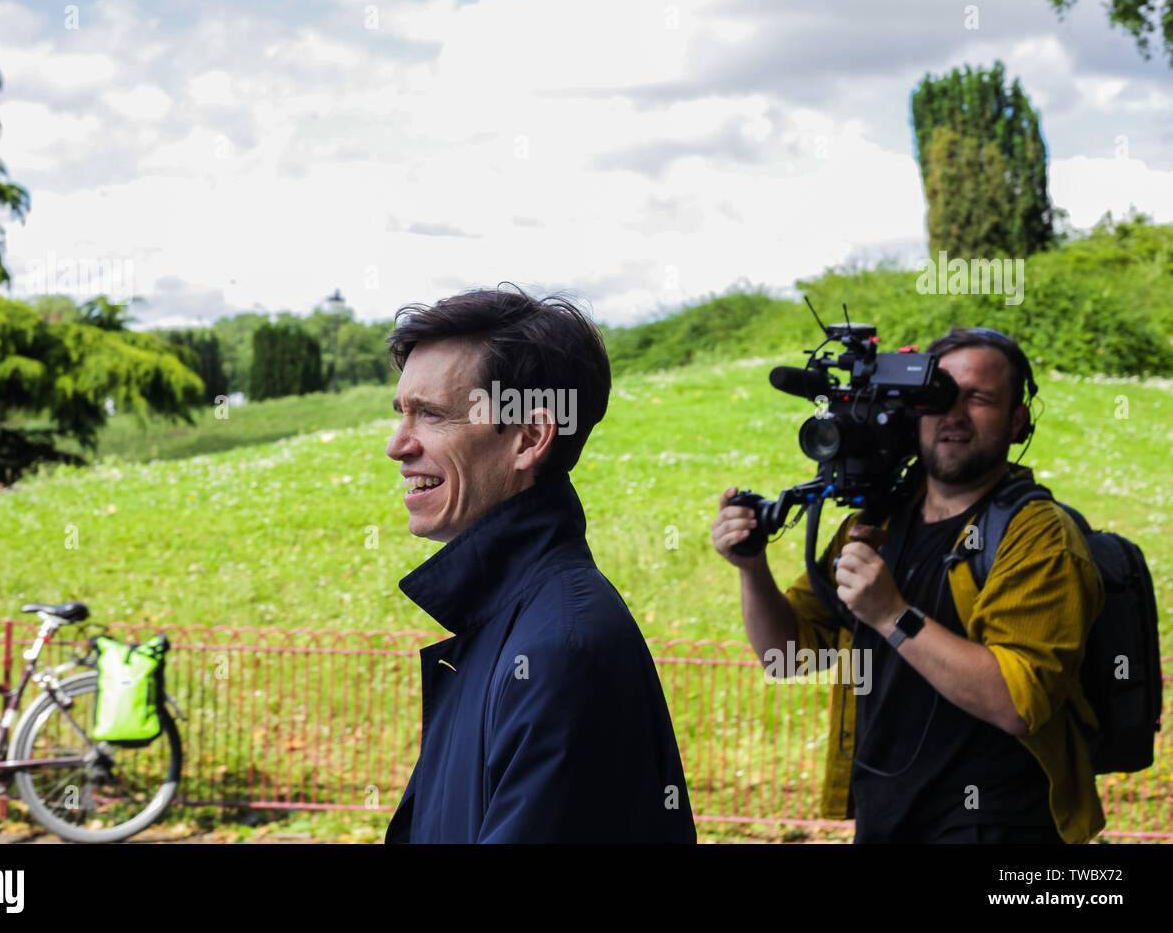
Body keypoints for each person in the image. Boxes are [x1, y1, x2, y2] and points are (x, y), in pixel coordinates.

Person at [711, 327, 1105, 843]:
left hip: (994, 822)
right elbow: (790, 655)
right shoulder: (882, 520)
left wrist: (892, 616)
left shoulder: (1040, 535)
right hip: (886, 815)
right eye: (936, 396)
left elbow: (1017, 701)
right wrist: (752, 568)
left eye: (979, 398)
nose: (954, 415)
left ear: (1017, 420)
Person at [383, 285, 695, 843]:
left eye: (430, 415)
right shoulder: (516, 623)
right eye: (401, 413)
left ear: (529, 437)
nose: (397, 445)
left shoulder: (559, 653)